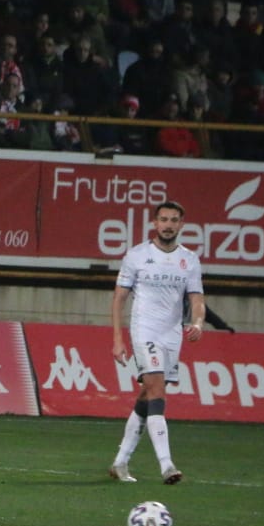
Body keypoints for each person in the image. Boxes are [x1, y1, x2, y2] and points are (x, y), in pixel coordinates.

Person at [109, 201, 205, 485]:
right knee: (158, 391)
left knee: (148, 394)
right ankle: (167, 465)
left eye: (174, 220)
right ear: (154, 223)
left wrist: (198, 322)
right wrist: (117, 339)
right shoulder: (137, 256)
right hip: (145, 331)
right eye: (163, 219)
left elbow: (197, 298)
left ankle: (120, 462)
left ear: (181, 224)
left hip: (172, 335)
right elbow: (119, 298)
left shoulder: (189, 260)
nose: (168, 225)